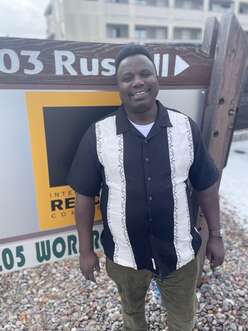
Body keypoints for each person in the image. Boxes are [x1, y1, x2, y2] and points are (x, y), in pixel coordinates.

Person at [67, 44, 225, 331]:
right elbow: (84, 197)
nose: (137, 81)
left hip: (180, 253)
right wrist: (86, 251)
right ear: (119, 86)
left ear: (156, 80)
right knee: (132, 315)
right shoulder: (98, 135)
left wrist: (216, 235)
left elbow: (207, 186)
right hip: (125, 256)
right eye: (127, 77)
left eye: (145, 73)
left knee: (183, 320)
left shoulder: (185, 128)